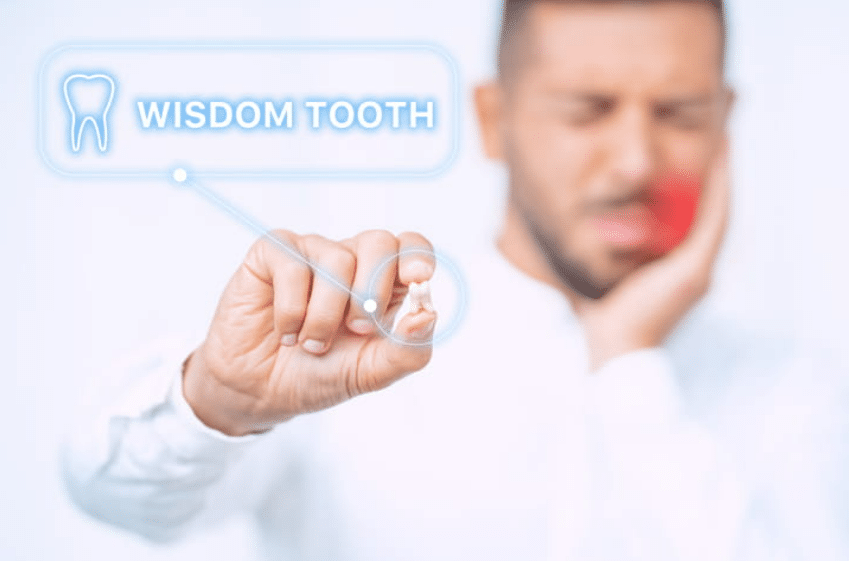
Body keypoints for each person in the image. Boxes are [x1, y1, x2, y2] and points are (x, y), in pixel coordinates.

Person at [62, 1, 849, 560]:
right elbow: (115, 496)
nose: (637, 161)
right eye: (586, 110)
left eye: (679, 112)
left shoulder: (793, 389)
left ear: (725, 119)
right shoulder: (345, 345)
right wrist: (219, 402)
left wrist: (627, 366)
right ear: (492, 119)